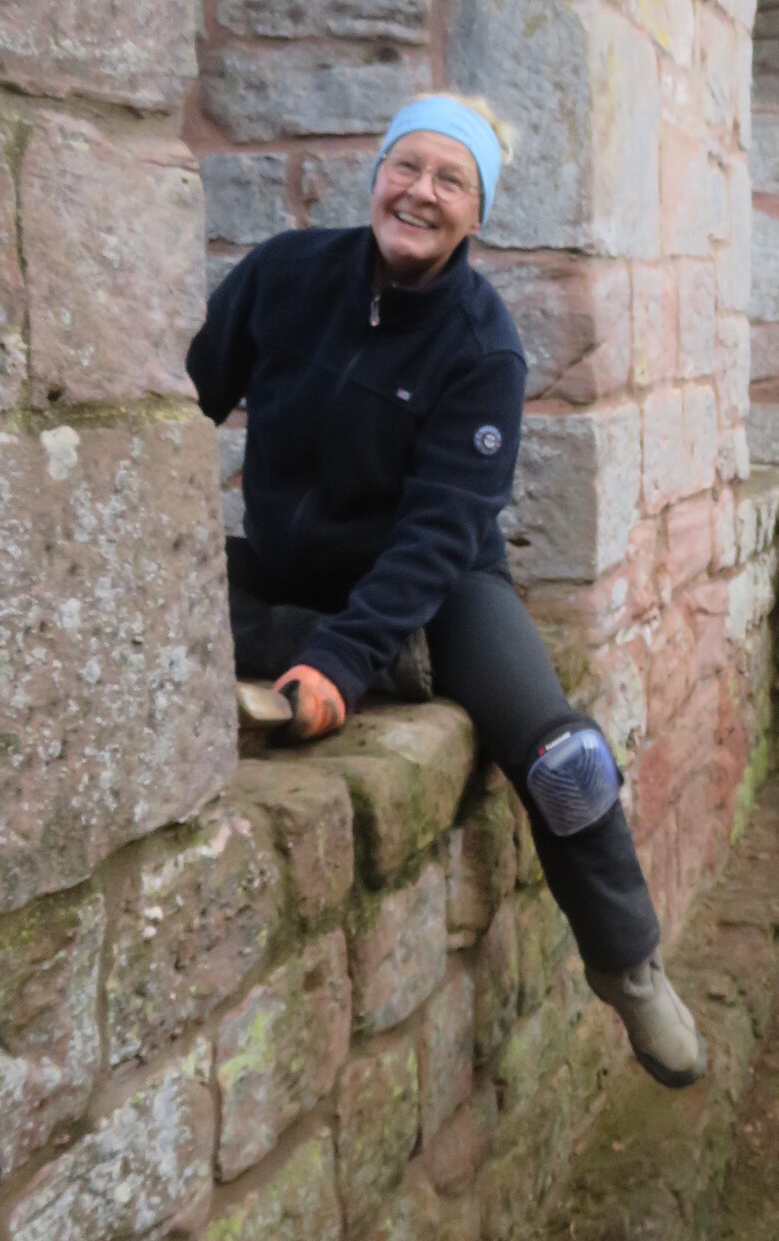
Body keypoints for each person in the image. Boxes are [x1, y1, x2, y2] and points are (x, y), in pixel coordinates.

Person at [186, 94, 706, 1091]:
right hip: (289, 569)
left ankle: (631, 969)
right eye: (406, 167)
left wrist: (339, 664)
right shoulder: (282, 275)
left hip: (442, 585)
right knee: (159, 589)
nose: (420, 193)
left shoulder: (482, 346)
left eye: (450, 180)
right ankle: (384, 658)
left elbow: (436, 535)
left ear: (477, 212)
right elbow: (187, 398)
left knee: (566, 761)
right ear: (377, 173)